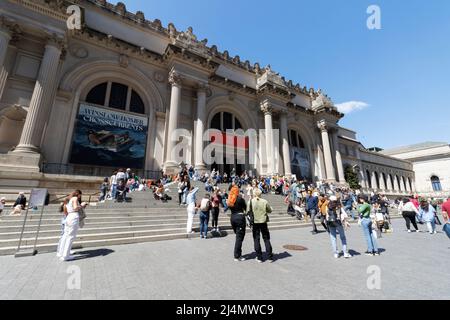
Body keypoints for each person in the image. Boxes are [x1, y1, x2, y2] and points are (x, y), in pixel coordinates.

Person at [57, 190, 86, 261]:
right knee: (70, 237)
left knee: (66, 235)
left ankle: (62, 253)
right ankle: (66, 256)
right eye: (80, 195)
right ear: (78, 194)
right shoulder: (75, 198)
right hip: (73, 217)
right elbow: (76, 208)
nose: (80, 197)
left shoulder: (69, 200)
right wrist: (82, 205)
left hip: (68, 217)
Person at [248, 188, 274, 263]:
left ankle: (259, 257)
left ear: (254, 194)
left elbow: (247, 211)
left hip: (255, 222)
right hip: (263, 221)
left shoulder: (251, 201)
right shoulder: (264, 201)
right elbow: (269, 210)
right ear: (260, 194)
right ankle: (270, 257)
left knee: (256, 239)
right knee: (266, 239)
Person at [230, 191, 248, 262]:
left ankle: (238, 254)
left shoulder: (231, 199)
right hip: (239, 218)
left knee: (238, 236)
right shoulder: (240, 199)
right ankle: (237, 256)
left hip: (232, 217)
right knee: (239, 237)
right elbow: (245, 208)